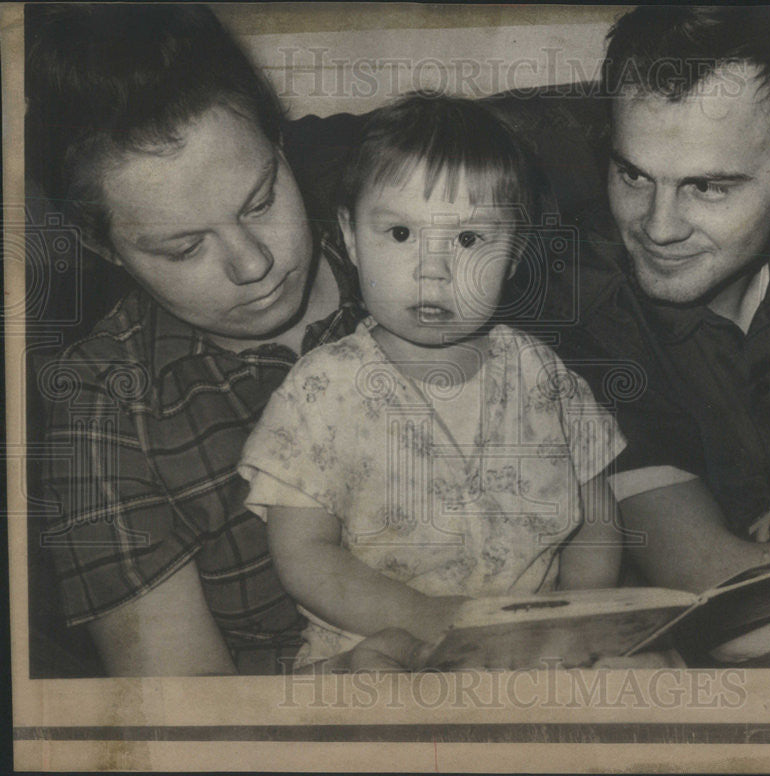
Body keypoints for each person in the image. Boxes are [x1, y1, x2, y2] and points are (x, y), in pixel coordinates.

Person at [29, 4, 413, 675]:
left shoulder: (413, 236)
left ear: (281, 143)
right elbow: (185, 718)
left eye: (260, 201)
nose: (253, 264)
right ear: (105, 248)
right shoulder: (104, 409)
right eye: (184, 247)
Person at [238, 95, 625, 670]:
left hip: (532, 655)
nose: (433, 268)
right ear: (349, 237)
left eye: (469, 240)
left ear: (515, 251)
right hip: (376, 649)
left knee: (648, 672)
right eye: (400, 234)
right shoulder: (321, 390)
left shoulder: (545, 378)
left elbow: (597, 519)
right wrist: (439, 622)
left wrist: (577, 617)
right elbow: (305, 556)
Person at [546, 6, 770, 601]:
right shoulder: (585, 310)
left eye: (707, 186)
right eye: (633, 176)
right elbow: (709, 588)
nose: (658, 228)